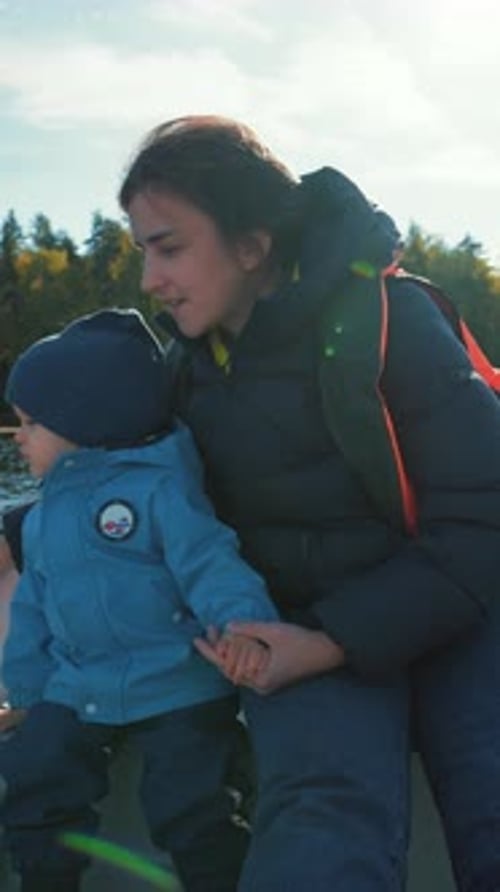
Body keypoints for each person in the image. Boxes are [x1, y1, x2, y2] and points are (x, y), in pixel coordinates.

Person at [117, 115, 500, 892]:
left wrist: (330, 642)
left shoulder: (390, 324)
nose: (150, 280)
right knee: (321, 822)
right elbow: (128, 495)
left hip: (461, 615)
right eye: (142, 253)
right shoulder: (185, 372)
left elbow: (486, 520)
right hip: (299, 631)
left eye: (170, 247)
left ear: (252, 244)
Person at [0, 307, 277, 892]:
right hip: (79, 686)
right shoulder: (45, 515)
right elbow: (32, 611)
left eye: (31, 423)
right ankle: (45, 880)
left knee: (192, 802)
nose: (19, 437)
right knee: (37, 775)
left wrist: (246, 628)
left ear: (84, 421)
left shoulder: (159, 490)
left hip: (176, 679)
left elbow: (211, 565)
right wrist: (25, 691)